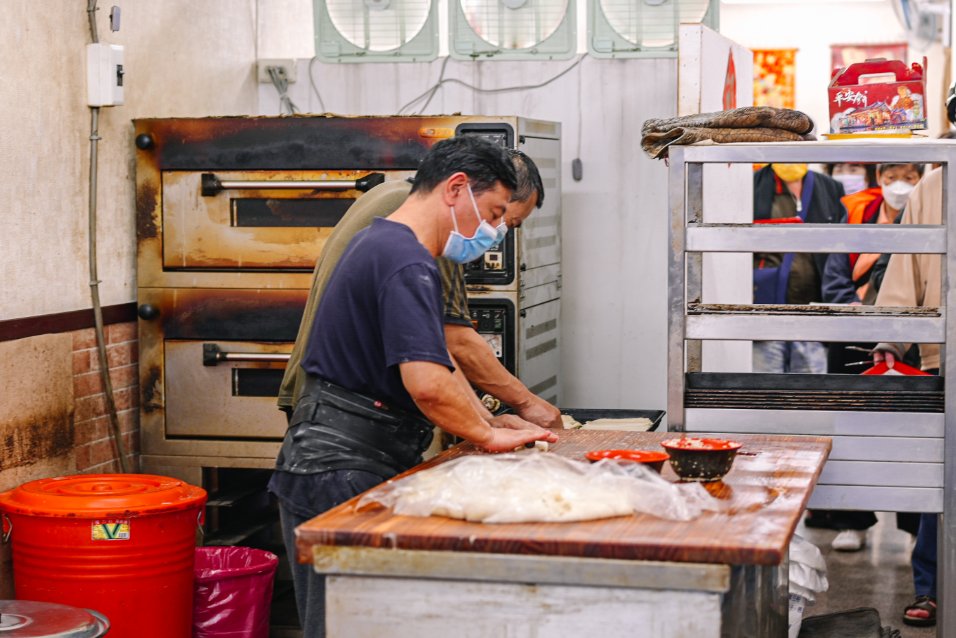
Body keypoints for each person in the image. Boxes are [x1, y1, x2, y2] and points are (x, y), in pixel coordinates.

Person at [268, 136, 558, 637]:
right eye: (492, 215)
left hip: (348, 458)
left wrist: (486, 420)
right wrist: (489, 438)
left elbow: (440, 361)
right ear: (456, 189)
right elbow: (426, 384)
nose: (491, 233)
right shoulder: (407, 260)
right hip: (338, 465)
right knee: (345, 625)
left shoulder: (390, 243)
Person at [812, 162, 924, 552]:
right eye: (892, 176)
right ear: (879, 178)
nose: (900, 186)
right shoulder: (855, 212)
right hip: (853, 341)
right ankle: (852, 520)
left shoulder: (927, 214)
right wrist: (859, 320)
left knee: (915, 435)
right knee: (851, 431)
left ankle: (915, 529)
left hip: (910, 339)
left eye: (910, 178)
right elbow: (835, 275)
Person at [872, 164, 943, 627]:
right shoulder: (935, 185)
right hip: (946, 358)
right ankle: (934, 588)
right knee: (942, 483)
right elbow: (906, 271)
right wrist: (891, 340)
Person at [752, 163, 846, 373]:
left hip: (814, 310)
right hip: (766, 310)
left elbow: (839, 247)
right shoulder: (754, 185)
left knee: (811, 391)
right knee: (765, 387)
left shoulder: (829, 188)